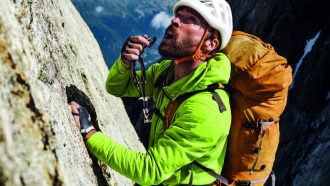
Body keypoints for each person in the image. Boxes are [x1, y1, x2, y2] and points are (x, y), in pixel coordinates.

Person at [69, 0, 233, 185]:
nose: (175, 21)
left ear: (210, 44)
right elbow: (117, 87)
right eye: (178, 16)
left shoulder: (206, 110)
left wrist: (89, 133)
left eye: (190, 19)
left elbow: (150, 171)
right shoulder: (167, 73)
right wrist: (125, 63)